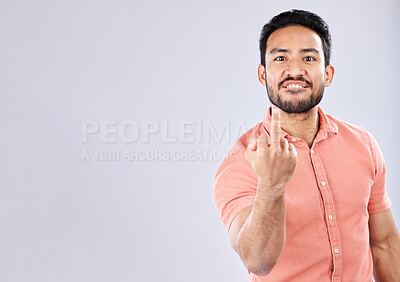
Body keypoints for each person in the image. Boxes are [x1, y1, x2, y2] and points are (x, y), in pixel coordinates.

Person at [213, 9, 400, 281]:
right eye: (280, 58)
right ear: (263, 75)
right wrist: (272, 184)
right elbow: (258, 260)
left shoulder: (364, 145)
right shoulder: (241, 162)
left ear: (328, 74)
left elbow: (384, 244)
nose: (295, 71)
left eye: (308, 58)